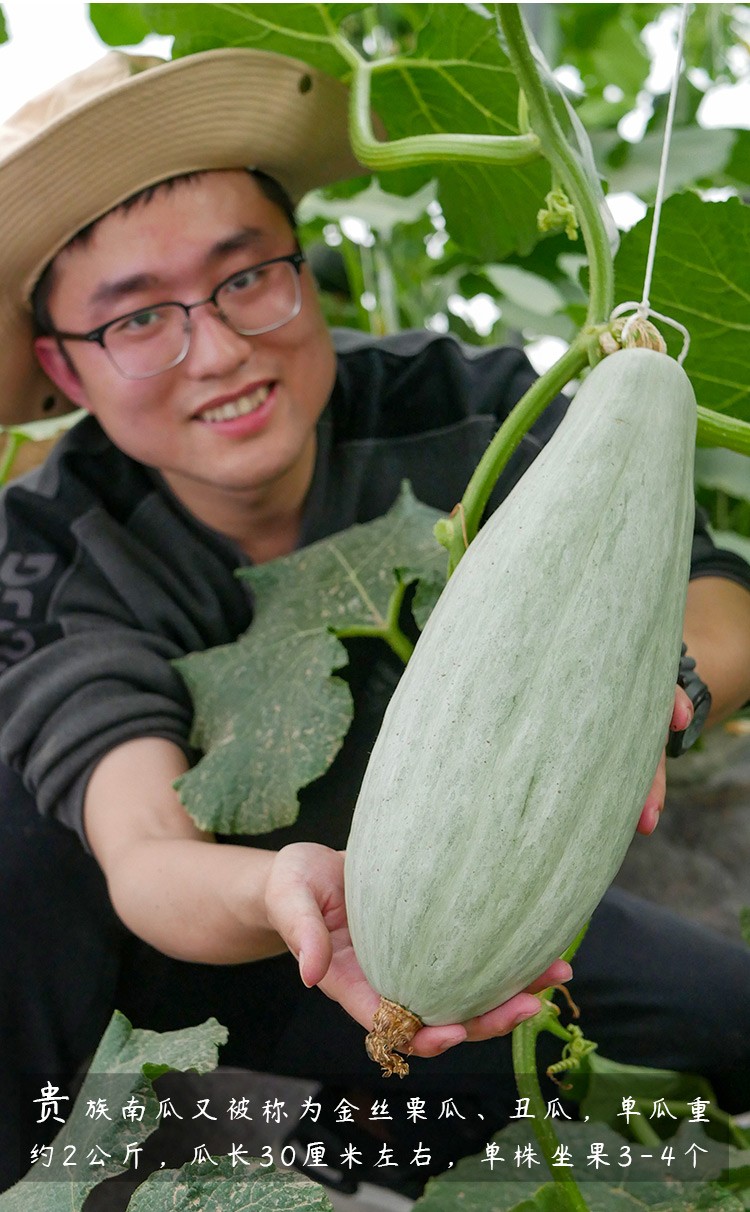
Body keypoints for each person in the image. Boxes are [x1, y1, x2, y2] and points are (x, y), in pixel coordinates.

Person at [1, 46, 749, 1198]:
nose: (217, 349)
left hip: (491, 900)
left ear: (304, 263)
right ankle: (162, 1158)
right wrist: (283, 896)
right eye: (138, 317)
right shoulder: (55, 544)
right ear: (62, 362)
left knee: (725, 1015)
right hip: (223, 954)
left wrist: (662, 688)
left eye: (245, 277)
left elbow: (713, 599)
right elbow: (142, 852)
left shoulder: (459, 401)